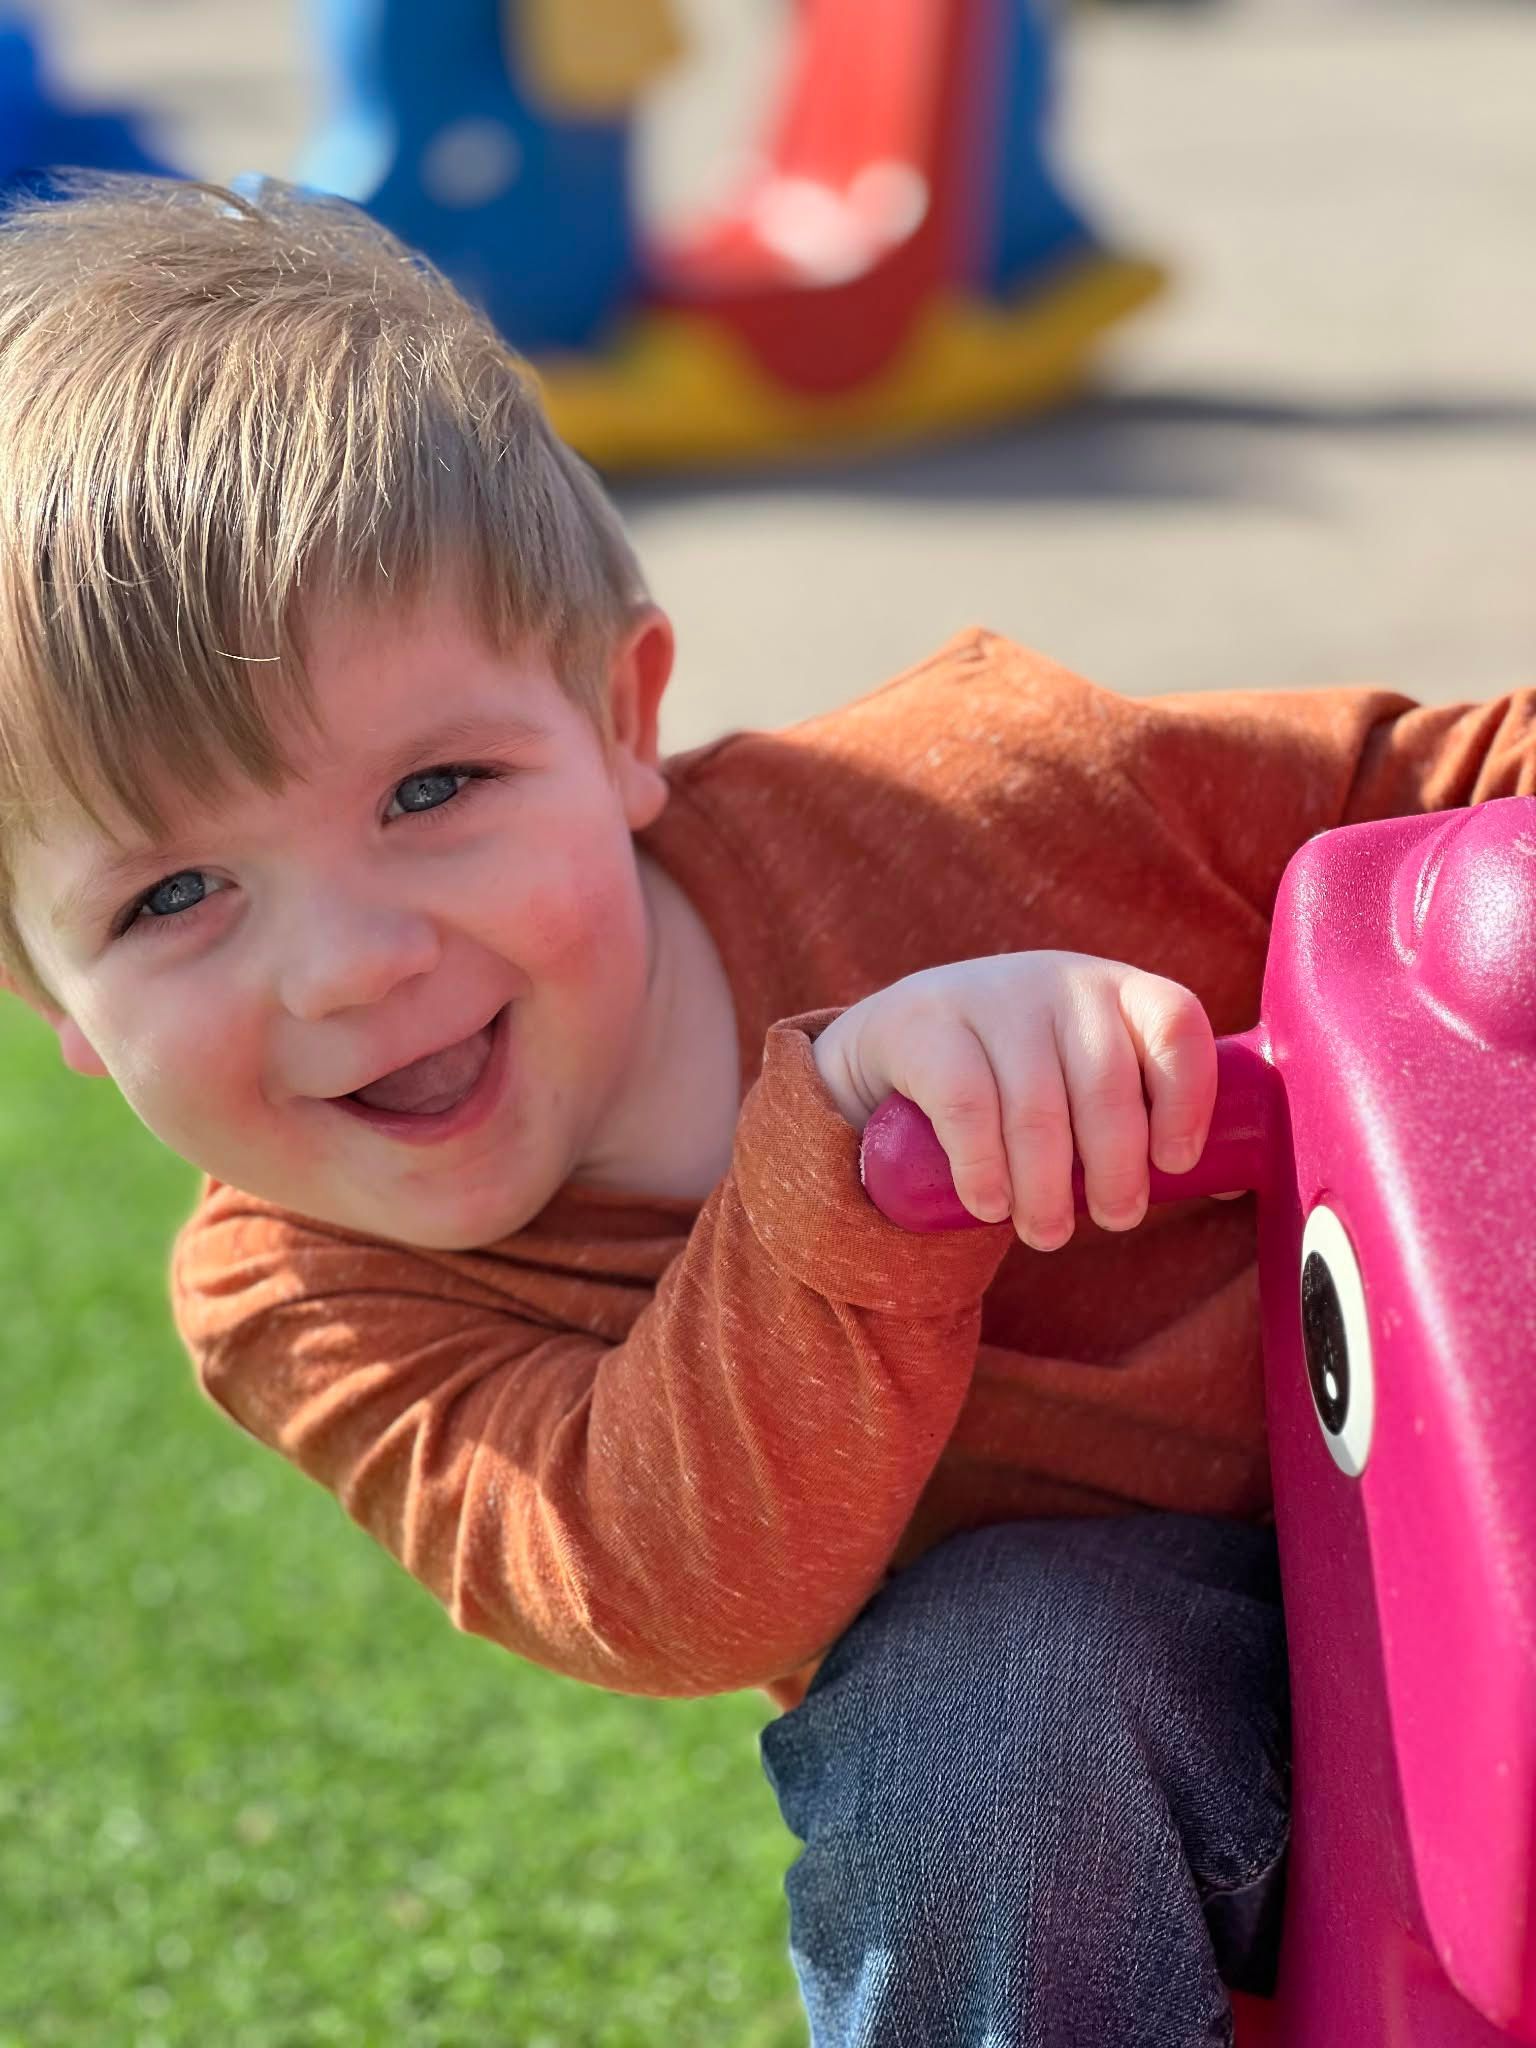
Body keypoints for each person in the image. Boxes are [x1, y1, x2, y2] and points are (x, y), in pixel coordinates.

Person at [1, 174, 1532, 2048]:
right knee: (985, 1705)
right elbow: (665, 1585)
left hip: (1497, 1442)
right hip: (1169, 1746)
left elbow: (1451, 803)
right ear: (43, 994)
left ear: (620, 720)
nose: (343, 967)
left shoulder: (981, 790)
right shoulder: (311, 1295)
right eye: (169, 899)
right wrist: (854, 1167)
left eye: (433, 791)